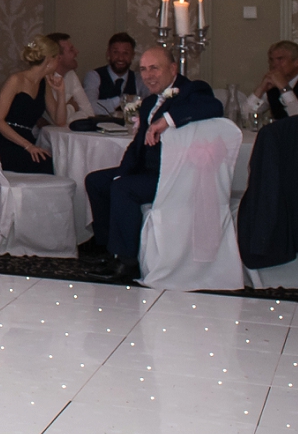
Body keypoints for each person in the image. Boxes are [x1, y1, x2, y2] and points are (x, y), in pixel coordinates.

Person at [84, 45, 224, 280]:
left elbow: (214, 107)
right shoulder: (149, 103)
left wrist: (167, 120)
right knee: (97, 181)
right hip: (146, 171)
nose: (148, 75)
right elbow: (137, 146)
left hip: (174, 175)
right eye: (143, 70)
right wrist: (122, 172)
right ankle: (108, 249)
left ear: (172, 68)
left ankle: (128, 261)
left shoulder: (192, 90)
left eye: (154, 68)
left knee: (123, 189)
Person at [0, 36, 71, 173]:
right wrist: (28, 146)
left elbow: (60, 121)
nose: (59, 62)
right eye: (57, 58)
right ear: (49, 60)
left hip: (26, 140)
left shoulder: (43, 83)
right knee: (47, 165)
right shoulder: (15, 80)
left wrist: (61, 92)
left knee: (53, 163)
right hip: (6, 142)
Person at [44, 32, 96, 122]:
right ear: (58, 57)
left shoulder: (71, 75)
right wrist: (73, 107)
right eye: (71, 50)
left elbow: (89, 113)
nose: (77, 52)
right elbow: (55, 121)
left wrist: (68, 111)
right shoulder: (45, 80)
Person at [86, 32, 140, 116]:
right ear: (108, 53)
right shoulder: (94, 76)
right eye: (115, 52)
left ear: (133, 55)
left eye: (125, 53)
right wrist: (122, 100)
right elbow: (88, 106)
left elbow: (148, 104)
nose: (120, 58)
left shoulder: (138, 78)